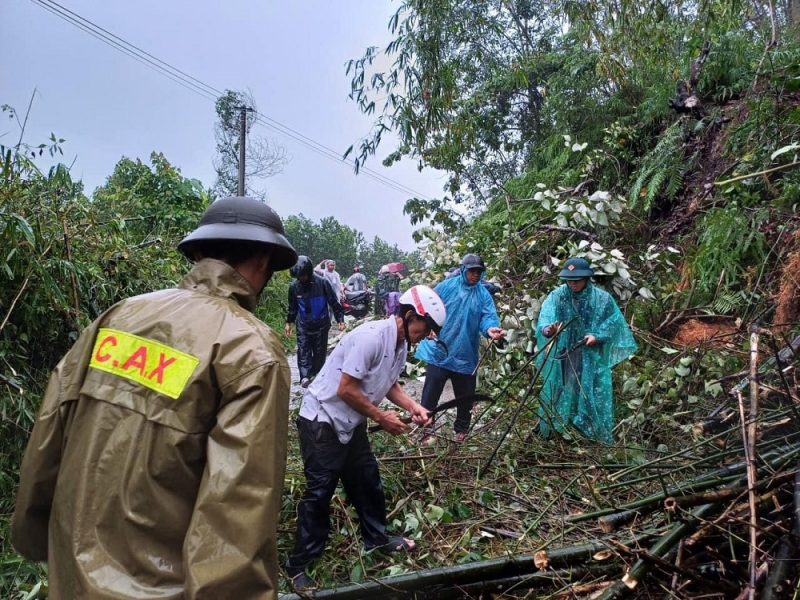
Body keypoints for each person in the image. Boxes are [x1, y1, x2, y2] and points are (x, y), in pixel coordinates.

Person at [11, 196, 298, 599]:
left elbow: (49, 432)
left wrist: (36, 535)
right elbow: (237, 510)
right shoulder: (251, 349)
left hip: (70, 574)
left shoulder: (118, 316)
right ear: (266, 261)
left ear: (197, 253)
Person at [285, 285, 446, 592]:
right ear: (410, 316)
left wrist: (414, 406)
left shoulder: (400, 345)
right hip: (322, 420)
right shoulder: (370, 337)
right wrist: (380, 416)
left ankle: (377, 539)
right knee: (320, 492)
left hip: (350, 420)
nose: (425, 336)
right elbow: (345, 388)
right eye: (425, 330)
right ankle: (298, 566)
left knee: (366, 480)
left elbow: (388, 384)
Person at [535, 257, 637, 444]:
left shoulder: (602, 299)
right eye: (569, 280)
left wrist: (596, 336)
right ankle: (558, 429)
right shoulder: (557, 296)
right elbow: (546, 317)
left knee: (590, 390)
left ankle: (589, 434)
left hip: (591, 355)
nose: (573, 284)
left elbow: (614, 323)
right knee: (562, 388)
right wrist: (547, 329)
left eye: (577, 280)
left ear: (587, 279)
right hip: (566, 352)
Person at [416, 253, 505, 443]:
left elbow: (488, 317)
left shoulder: (483, 295)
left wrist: (490, 329)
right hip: (440, 350)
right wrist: (428, 326)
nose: (475, 275)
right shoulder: (447, 287)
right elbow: (429, 307)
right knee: (431, 392)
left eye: (479, 272)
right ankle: (426, 428)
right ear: (463, 269)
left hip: (465, 353)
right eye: (472, 271)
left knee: (465, 396)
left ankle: (461, 430)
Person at [286, 255, 346, 388]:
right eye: (298, 277)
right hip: (303, 323)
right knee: (303, 349)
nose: (300, 279)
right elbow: (292, 307)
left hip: (321, 323)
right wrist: (288, 322)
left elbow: (333, 302)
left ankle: (318, 374)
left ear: (308, 272)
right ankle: (305, 377)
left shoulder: (322, 283)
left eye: (302, 276)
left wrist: (340, 318)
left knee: (319, 352)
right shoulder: (294, 287)